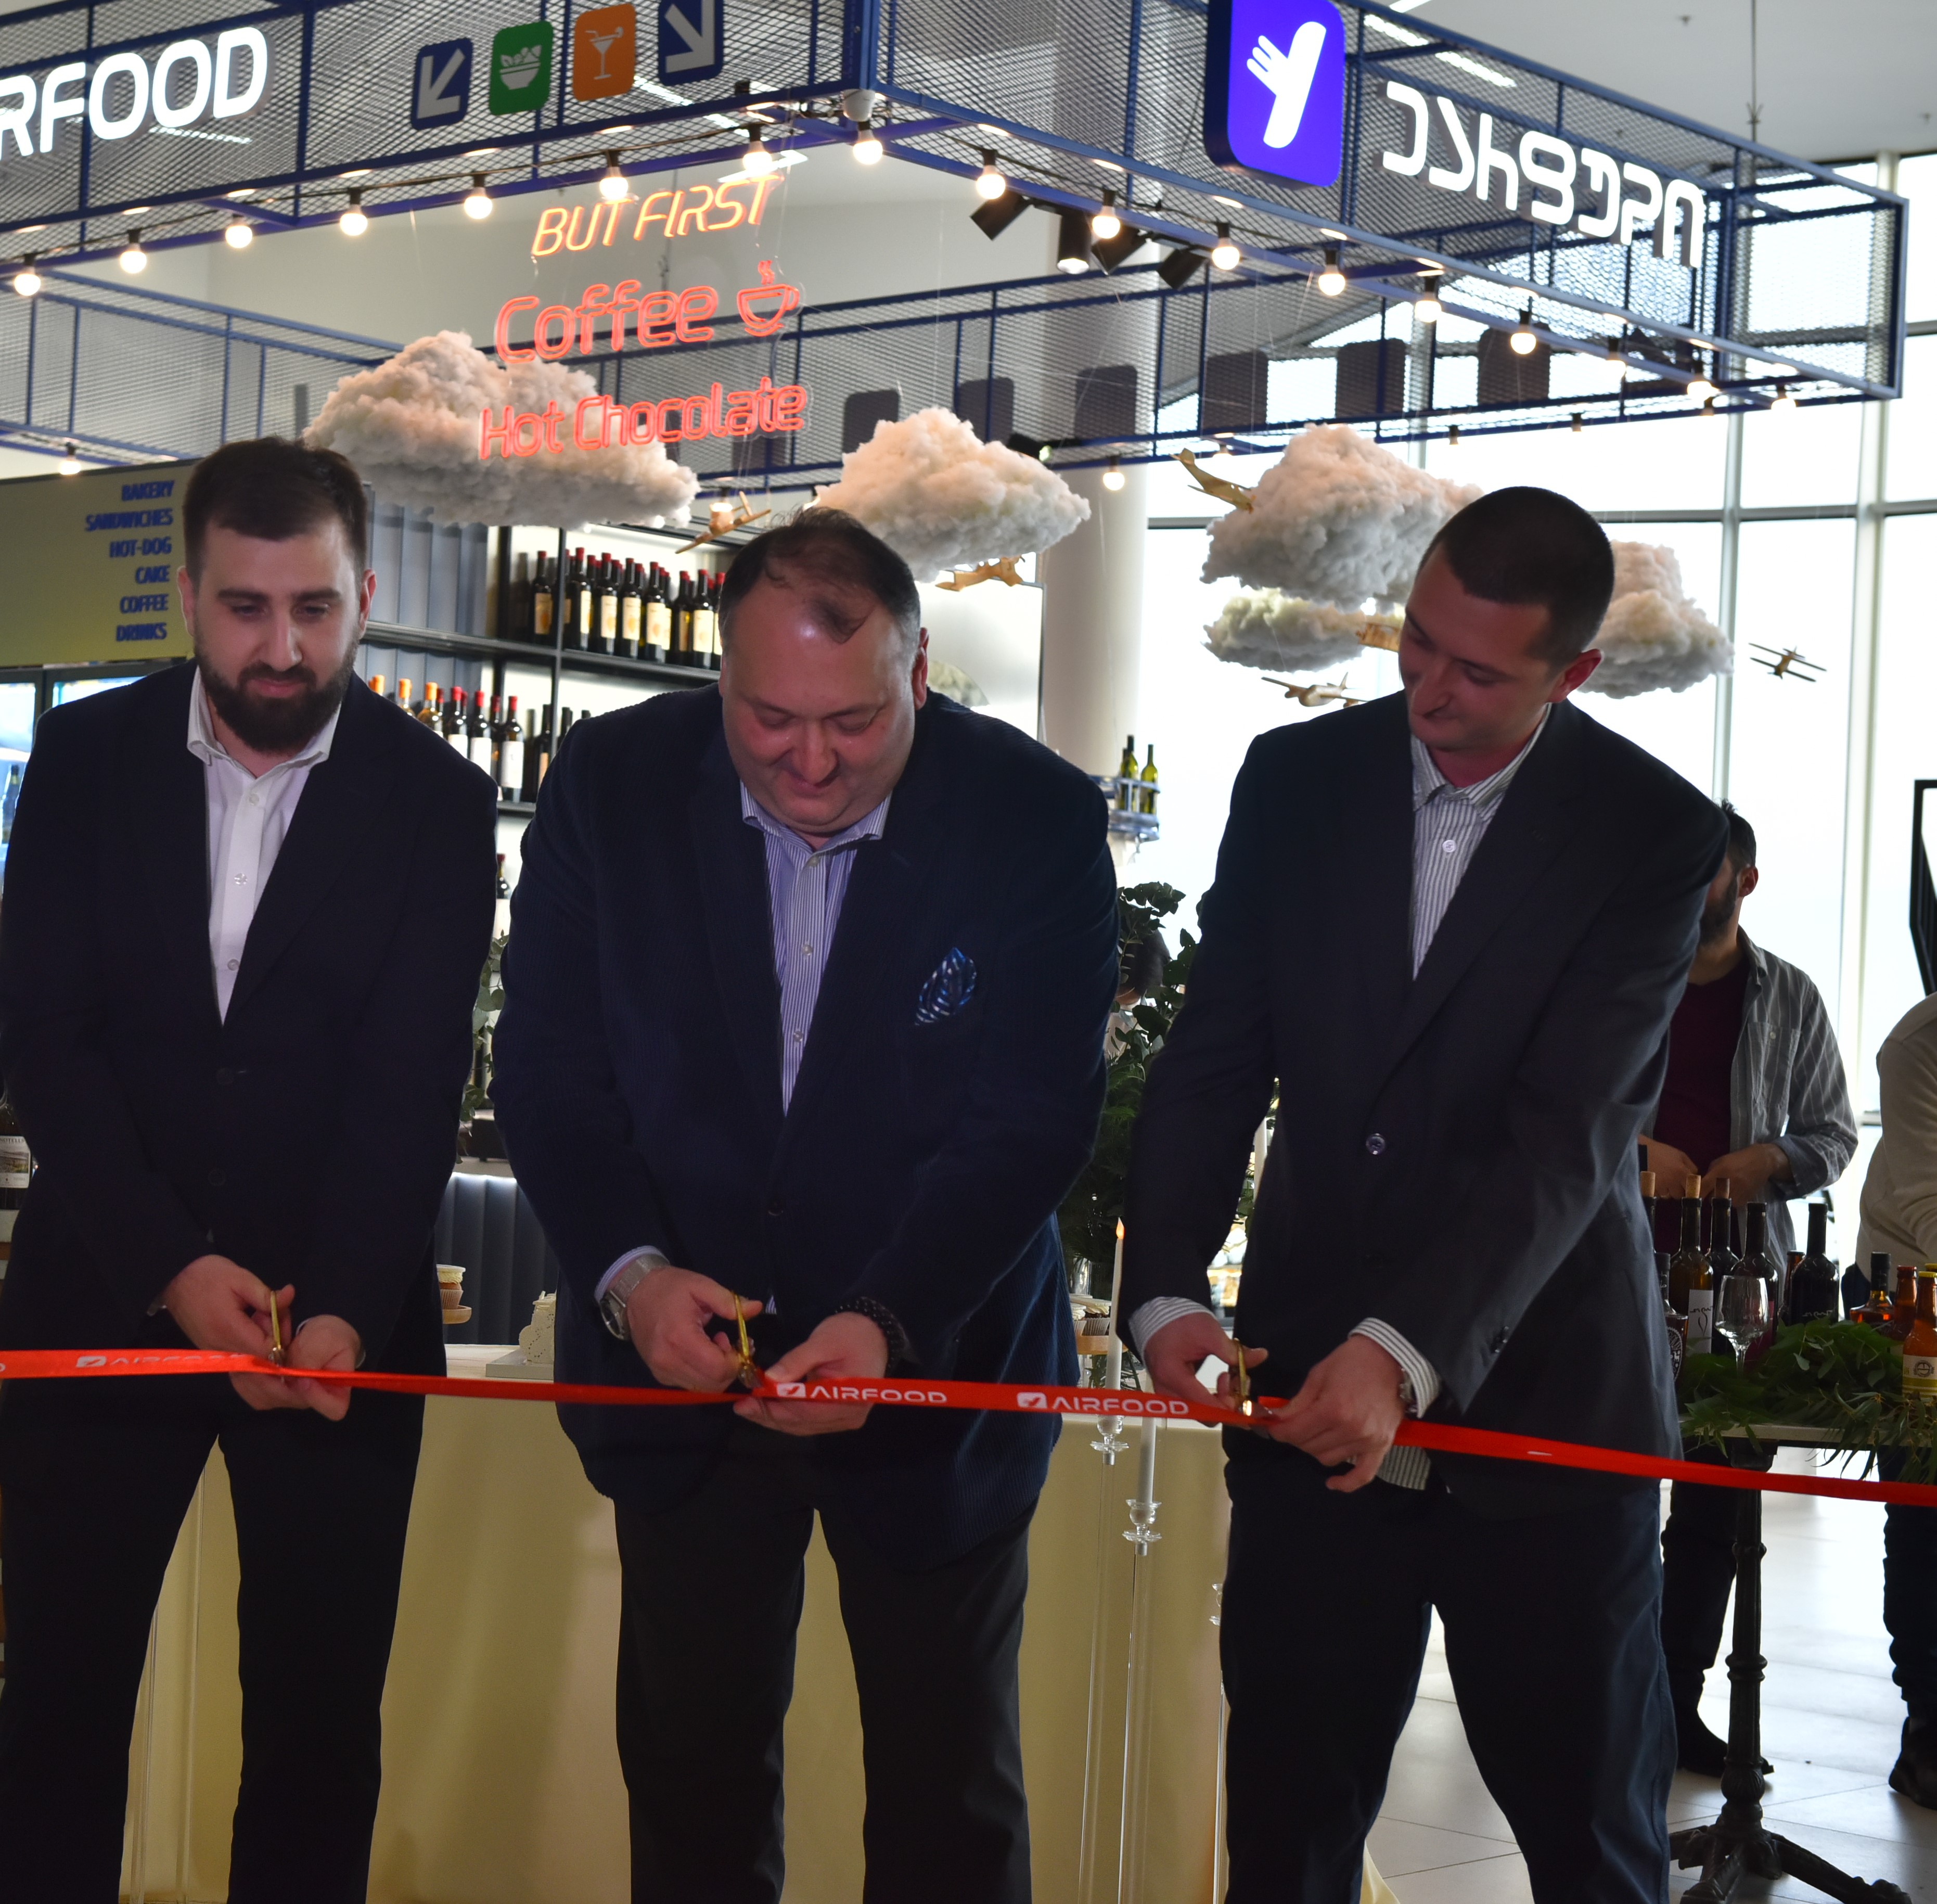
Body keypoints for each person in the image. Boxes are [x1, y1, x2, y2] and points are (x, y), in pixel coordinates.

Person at [489, 509, 1118, 1904]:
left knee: (949, 1805)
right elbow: (547, 1069)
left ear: (921, 671)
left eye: (854, 721)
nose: (811, 761)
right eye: (769, 719)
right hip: (680, 1376)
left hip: (932, 1370)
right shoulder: (612, 783)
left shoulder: (1032, 819)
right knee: (692, 1793)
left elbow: (1027, 1121)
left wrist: (887, 1318)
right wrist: (631, 1274)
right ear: (719, 673)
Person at [1120, 486, 1728, 1904]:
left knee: (1590, 1841)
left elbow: (1565, 1136)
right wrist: (1160, 1286)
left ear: (1572, 672)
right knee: (1285, 1829)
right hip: (1298, 1397)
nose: (1429, 690)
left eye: (1479, 673)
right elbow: (1215, 1054)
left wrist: (1400, 1348)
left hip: (1546, 1410)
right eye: (1416, 643)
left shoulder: (1650, 831)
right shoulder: (1294, 779)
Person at [0, 439, 497, 1903]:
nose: (282, 648)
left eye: (315, 608)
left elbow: (412, 1084)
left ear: (368, 595)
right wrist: (168, 1263)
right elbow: (45, 1040)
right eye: (245, 608)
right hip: (101, 1292)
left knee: (317, 1731)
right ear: (189, 595)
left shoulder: (438, 799)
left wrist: (336, 1299)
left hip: (336, 1328)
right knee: (56, 1710)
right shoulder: (85, 760)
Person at [1645, 803, 1856, 1775]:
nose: (1685, 884)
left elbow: (1834, 1135)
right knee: (1593, 1497)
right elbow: (1558, 1112)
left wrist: (1772, 1160)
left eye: (1706, 869)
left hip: (1737, 1291)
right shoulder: (1621, 979)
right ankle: (1598, 1709)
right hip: (1610, 1271)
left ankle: (1673, 1707)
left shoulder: (1791, 998)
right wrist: (1634, 1151)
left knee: (1714, 1510)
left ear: (1746, 882)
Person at [1856, 992, 1937, 1806]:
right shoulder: (1921, 1042)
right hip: (1909, 1298)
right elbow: (1928, 1196)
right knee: (1923, 1511)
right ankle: (1928, 1723)